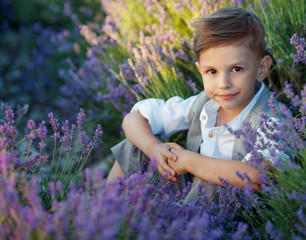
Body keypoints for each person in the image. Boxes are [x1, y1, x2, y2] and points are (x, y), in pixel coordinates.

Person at [107, 7, 286, 202]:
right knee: (133, 146)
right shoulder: (204, 103)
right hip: (192, 193)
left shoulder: (270, 119)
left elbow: (260, 177)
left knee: (216, 186)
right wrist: (154, 149)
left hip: (230, 212)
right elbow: (133, 120)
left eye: (236, 69)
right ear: (200, 70)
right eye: (212, 71)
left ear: (261, 69)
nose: (223, 83)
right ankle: (103, 209)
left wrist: (190, 162)